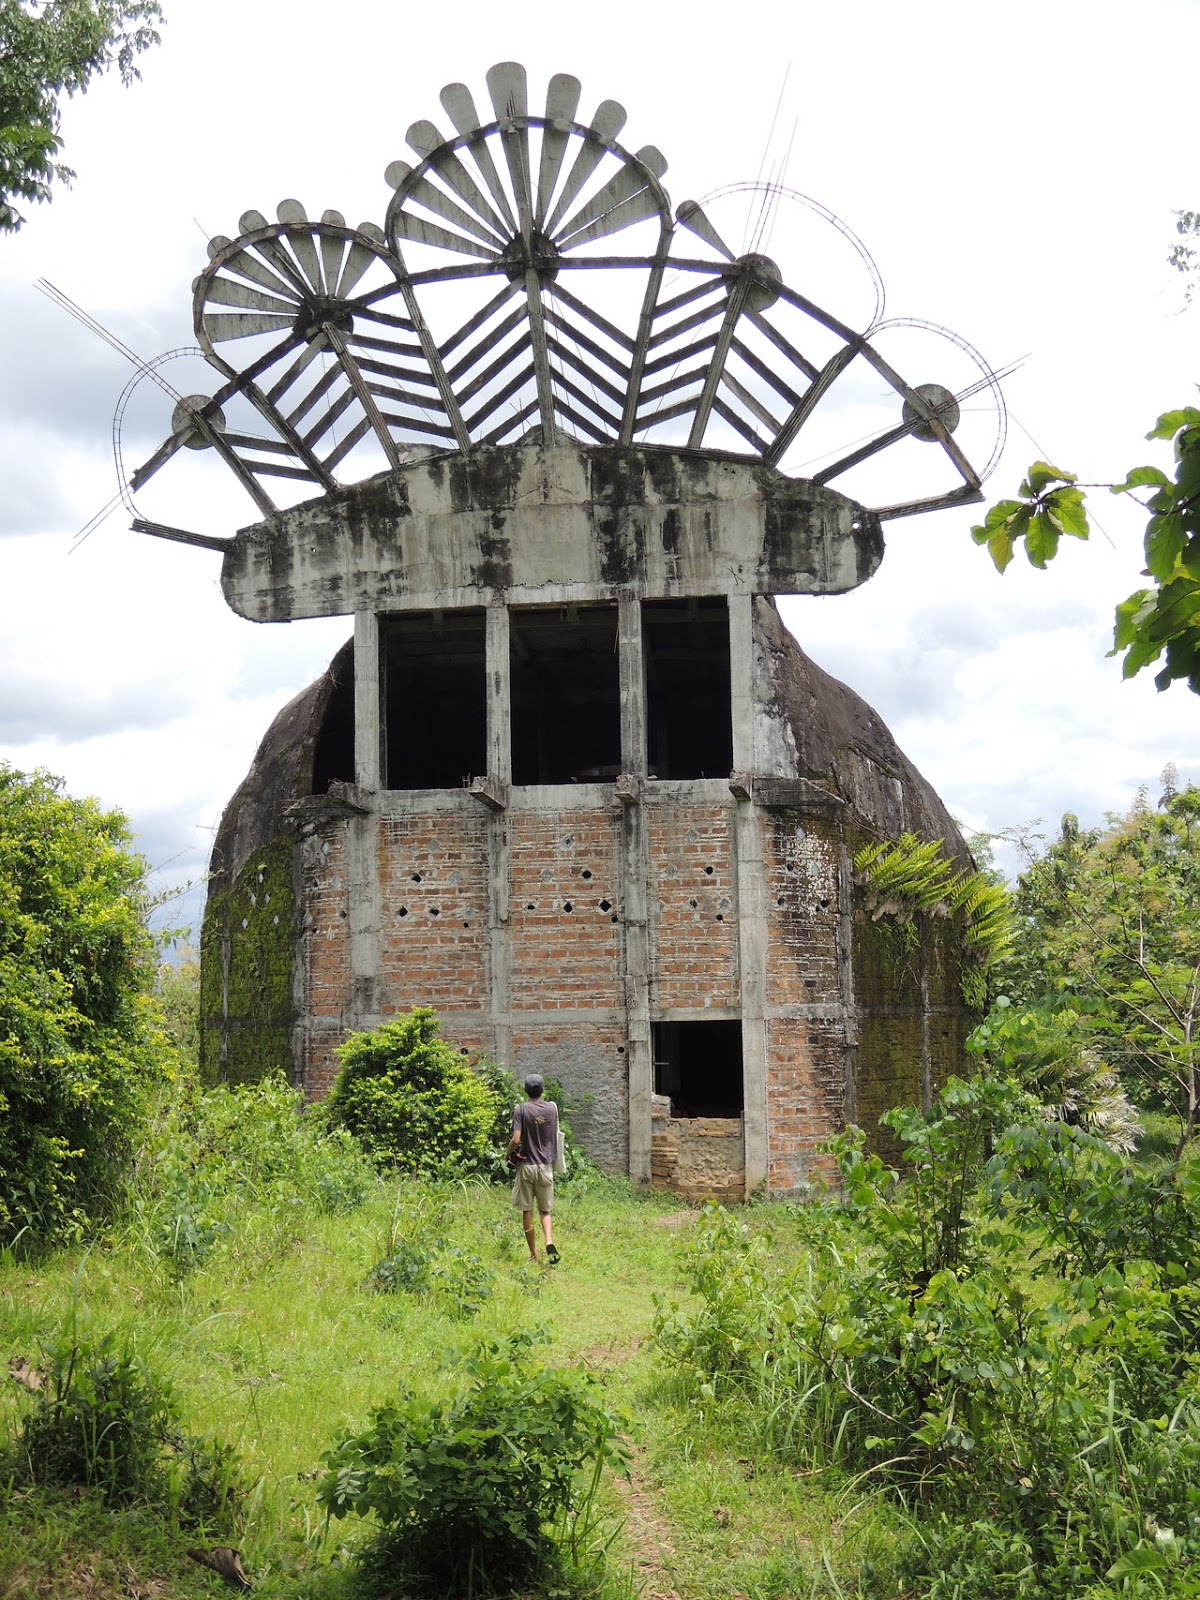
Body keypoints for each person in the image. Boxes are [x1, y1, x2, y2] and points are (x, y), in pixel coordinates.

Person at [506, 1074, 560, 1265]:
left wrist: (507, 1155)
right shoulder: (552, 1109)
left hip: (527, 1166)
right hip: (545, 1166)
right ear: (542, 1090)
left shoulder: (520, 1110)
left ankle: (533, 1255)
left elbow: (516, 1140)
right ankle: (549, 1241)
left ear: (525, 1091)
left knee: (527, 1211)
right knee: (545, 1211)